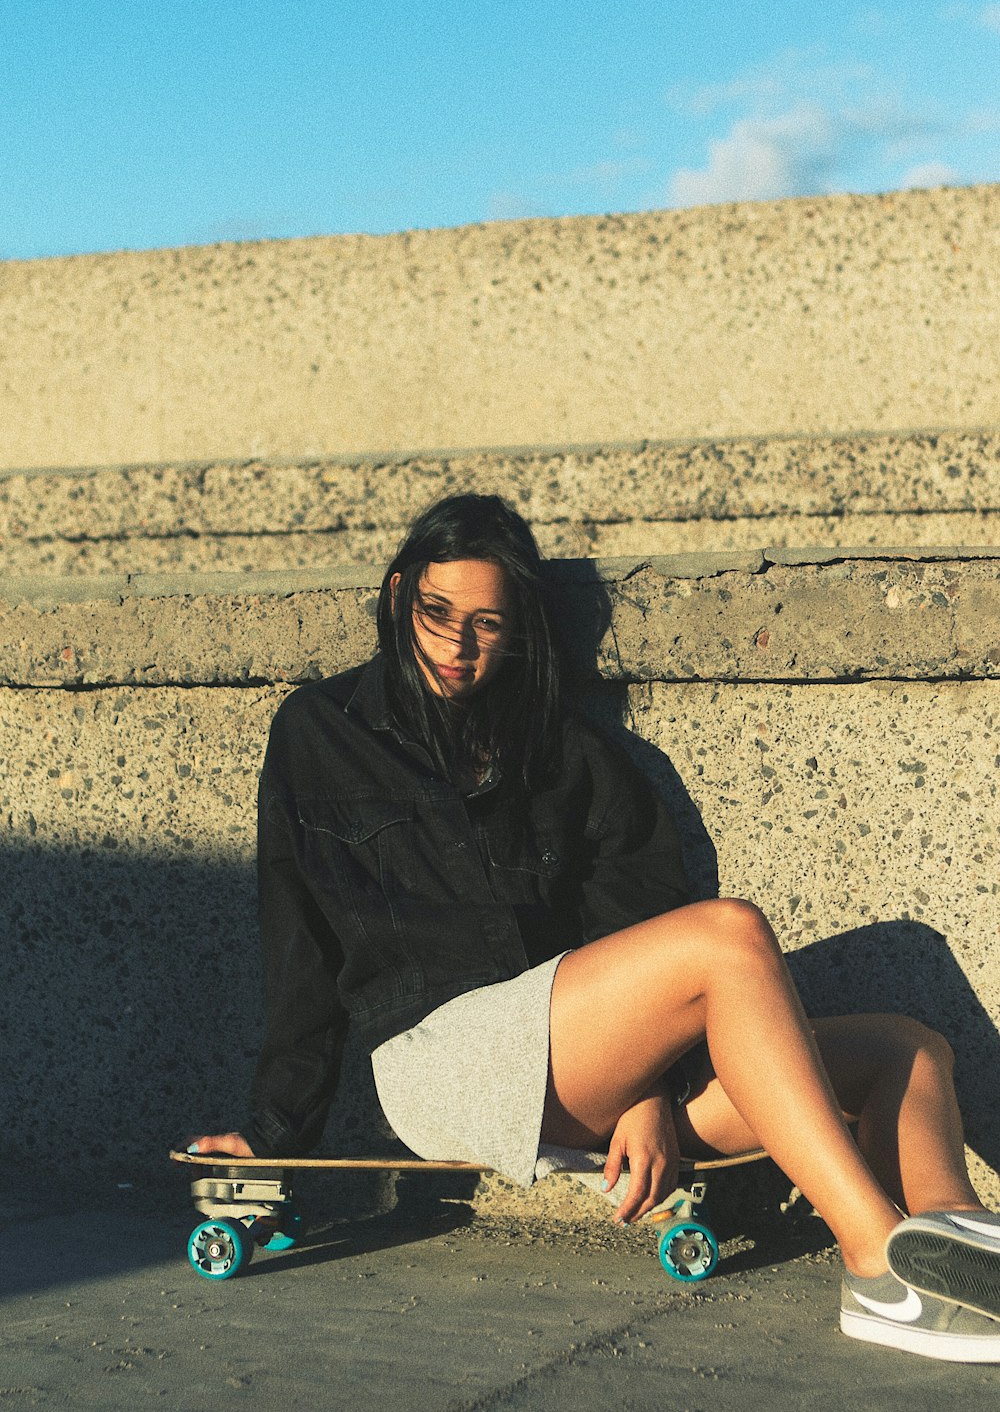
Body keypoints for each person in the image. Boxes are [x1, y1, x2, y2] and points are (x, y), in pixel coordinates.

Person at [189, 492, 1000, 1362]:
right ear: (397, 597)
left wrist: (646, 1093)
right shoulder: (320, 731)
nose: (458, 646)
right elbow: (299, 947)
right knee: (728, 937)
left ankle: (959, 1246)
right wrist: (276, 1134)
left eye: (488, 622)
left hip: (589, 1069)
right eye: (436, 613)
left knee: (906, 1048)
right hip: (445, 1059)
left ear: (518, 628)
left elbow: (631, 938)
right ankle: (876, 1262)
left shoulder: (567, 755)